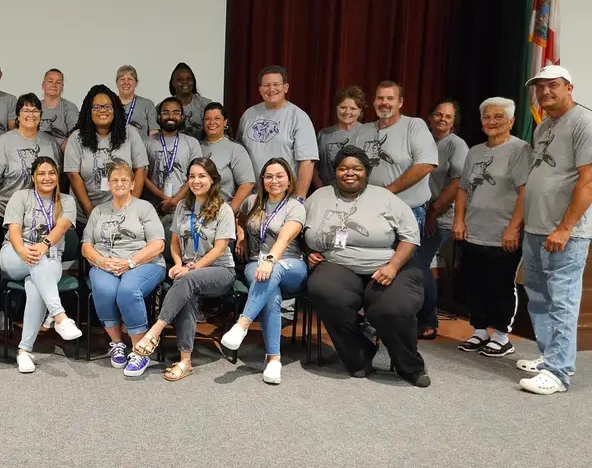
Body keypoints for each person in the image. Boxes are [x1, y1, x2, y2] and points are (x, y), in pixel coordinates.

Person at [303, 145, 429, 387]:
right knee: (322, 289)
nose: (350, 173)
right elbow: (301, 232)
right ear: (335, 172)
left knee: (391, 308)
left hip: (387, 265)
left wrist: (393, 266)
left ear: (366, 172)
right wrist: (310, 252)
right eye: (343, 168)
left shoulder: (385, 198)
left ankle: (409, 365)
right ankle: (359, 354)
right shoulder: (318, 198)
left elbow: (410, 236)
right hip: (338, 264)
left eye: (357, 168)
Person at [516, 65, 592, 395]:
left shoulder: (587, 123)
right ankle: (548, 356)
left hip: (564, 233)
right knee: (538, 298)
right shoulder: (545, 126)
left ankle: (558, 372)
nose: (545, 92)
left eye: (552, 85)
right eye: (539, 87)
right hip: (538, 227)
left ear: (569, 87)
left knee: (562, 301)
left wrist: (566, 226)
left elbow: (591, 178)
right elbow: (564, 176)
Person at [133, 157, 236, 381]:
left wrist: (191, 268)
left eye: (202, 176)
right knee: (187, 290)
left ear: (213, 180)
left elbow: (219, 250)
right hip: (189, 271)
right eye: (192, 176)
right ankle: (185, 361)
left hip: (220, 271)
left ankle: (154, 332)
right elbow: (175, 242)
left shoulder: (224, 209)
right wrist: (178, 264)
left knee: (187, 281)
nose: (196, 181)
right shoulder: (183, 206)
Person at [453, 97, 531, 359]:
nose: (492, 122)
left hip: (504, 233)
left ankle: (501, 335)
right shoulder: (474, 151)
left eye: (499, 117)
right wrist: (459, 220)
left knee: (500, 284)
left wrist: (513, 227)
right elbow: (463, 189)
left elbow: (525, 192)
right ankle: (478, 330)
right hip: (474, 230)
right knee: (474, 282)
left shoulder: (521, 150)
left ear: (511, 121)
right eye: (487, 117)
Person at [220, 158, 308, 384]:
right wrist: (240, 234)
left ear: (289, 180)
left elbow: (285, 238)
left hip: (290, 265)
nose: (274, 181)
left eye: (280, 176)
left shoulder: (295, 206)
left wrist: (270, 260)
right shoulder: (252, 202)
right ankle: (273, 360)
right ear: (262, 180)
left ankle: (242, 325)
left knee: (272, 272)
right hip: (255, 264)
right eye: (269, 176)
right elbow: (239, 219)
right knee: (271, 294)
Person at [82, 161, 166, 375]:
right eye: (114, 180)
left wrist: (130, 263)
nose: (119, 183)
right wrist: (101, 262)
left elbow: (158, 244)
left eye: (124, 180)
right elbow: (86, 246)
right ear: (108, 184)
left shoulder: (144, 207)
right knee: (105, 289)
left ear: (132, 184)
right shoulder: (98, 211)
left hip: (144, 263)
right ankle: (117, 343)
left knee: (128, 291)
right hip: (106, 264)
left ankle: (140, 351)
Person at [0, 156, 82, 373]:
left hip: (50, 257)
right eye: (42, 173)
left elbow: (62, 227)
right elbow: (14, 230)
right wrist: (23, 251)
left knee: (36, 285)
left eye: (52, 173)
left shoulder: (67, 200)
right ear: (34, 177)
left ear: (58, 175)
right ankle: (59, 315)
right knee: (38, 266)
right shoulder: (21, 196)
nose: (47, 178)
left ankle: (24, 351)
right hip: (15, 255)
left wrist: (43, 246)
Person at [349, 81, 438, 229]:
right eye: (380, 98)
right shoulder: (362, 130)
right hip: (369, 209)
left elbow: (426, 165)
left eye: (390, 98)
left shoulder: (414, 125)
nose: (384, 103)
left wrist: (386, 192)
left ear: (400, 102)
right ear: (374, 102)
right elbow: (350, 164)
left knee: (403, 253)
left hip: (407, 212)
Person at [413, 99, 467, 340]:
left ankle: (428, 320)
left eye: (448, 116)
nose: (442, 119)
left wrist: (433, 212)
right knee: (409, 265)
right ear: (429, 116)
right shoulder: (423, 139)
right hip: (417, 212)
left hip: (439, 216)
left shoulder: (456, 145)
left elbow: (458, 183)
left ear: (454, 121)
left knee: (419, 266)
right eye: (438, 114)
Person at [64, 85, 149, 222]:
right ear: (88, 111)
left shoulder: (130, 133)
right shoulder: (76, 137)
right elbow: (73, 175)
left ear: (115, 110)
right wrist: (90, 212)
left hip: (124, 214)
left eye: (108, 107)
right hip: (85, 216)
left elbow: (140, 170)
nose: (102, 111)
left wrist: (131, 207)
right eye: (96, 107)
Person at [237, 65, 319, 196]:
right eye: (266, 85)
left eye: (276, 84)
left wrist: (299, 198)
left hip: (285, 196)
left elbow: (307, 162)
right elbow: (239, 155)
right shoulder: (249, 114)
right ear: (260, 90)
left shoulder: (299, 117)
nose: (271, 89)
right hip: (253, 196)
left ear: (286, 88)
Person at [0, 93, 62, 228]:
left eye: (35, 111)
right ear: (18, 116)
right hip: (9, 216)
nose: (31, 115)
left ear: (40, 115)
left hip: (44, 216)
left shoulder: (51, 143)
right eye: (25, 110)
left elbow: (57, 178)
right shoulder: (3, 143)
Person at [142, 97, 202, 221]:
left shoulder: (192, 143)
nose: (170, 116)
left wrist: (174, 201)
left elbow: (195, 176)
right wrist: (164, 198)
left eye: (176, 112)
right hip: (153, 207)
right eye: (165, 113)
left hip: (184, 207)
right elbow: (142, 176)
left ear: (182, 117)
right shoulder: (146, 142)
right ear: (158, 116)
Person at [199, 102, 255, 213]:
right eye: (207, 119)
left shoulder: (235, 149)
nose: (212, 122)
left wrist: (228, 212)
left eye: (217, 118)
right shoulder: (194, 146)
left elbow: (247, 184)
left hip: (222, 211)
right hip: (196, 211)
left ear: (225, 122)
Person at [316, 86, 367, 188]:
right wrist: (320, 188)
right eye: (343, 107)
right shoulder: (323, 134)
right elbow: (313, 167)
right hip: (328, 193)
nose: (347, 112)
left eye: (353, 108)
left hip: (360, 194)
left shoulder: (368, 132)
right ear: (336, 108)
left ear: (360, 111)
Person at [168, 62, 212, 139]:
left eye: (189, 79)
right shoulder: (164, 106)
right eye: (179, 80)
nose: (185, 82)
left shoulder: (206, 105)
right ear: (173, 83)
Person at [38, 68, 80, 144]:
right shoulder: (35, 107)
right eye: (50, 81)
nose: (54, 85)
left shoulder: (69, 108)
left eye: (58, 82)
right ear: (43, 85)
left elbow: (75, 135)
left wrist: (59, 152)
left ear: (62, 86)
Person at [114, 65, 158, 136]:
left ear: (136, 83)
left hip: (141, 146)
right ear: (117, 83)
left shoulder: (147, 104)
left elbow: (153, 134)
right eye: (122, 79)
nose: (126, 82)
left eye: (130, 79)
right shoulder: (109, 104)